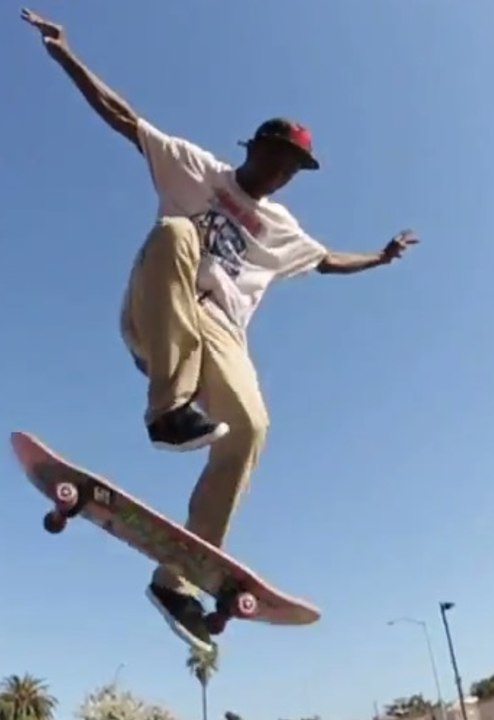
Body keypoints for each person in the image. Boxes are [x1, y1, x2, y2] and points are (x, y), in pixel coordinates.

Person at [21, 8, 419, 651]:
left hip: (223, 338)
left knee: (252, 429)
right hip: (161, 306)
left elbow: (328, 261)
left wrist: (380, 255)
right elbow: (123, 116)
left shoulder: (285, 229)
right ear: (254, 147)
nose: (284, 172)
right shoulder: (196, 168)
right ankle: (166, 408)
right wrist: (67, 56)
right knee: (177, 231)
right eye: (279, 157)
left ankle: (175, 579)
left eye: (294, 167)